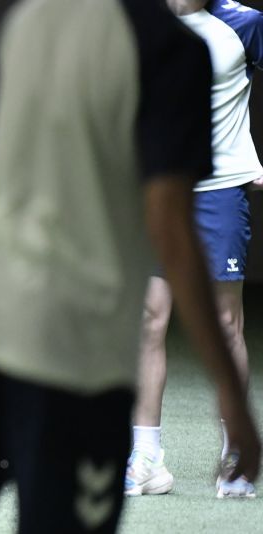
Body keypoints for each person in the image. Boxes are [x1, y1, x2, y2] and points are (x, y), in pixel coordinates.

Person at [0, 0, 260, 532]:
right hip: (78, 351)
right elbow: (171, 231)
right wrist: (231, 393)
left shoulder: (28, 19)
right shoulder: (176, 51)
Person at [125, 0, 263, 499]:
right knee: (149, 318)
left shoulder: (244, 23)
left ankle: (235, 457)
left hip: (222, 192)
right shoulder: (138, 17)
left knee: (227, 325)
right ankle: (146, 459)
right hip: (160, 189)